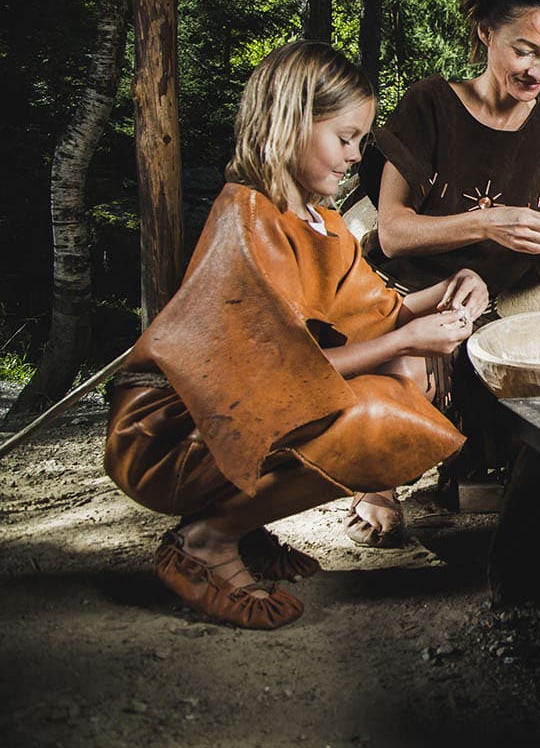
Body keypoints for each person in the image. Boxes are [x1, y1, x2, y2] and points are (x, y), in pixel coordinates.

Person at [104, 41, 486, 630]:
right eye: (345, 138)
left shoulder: (323, 223)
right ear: (290, 122)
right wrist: (407, 342)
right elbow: (271, 378)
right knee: (381, 410)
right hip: (166, 433)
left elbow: (380, 313)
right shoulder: (247, 215)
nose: (357, 156)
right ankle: (206, 540)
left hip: (229, 421)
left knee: (403, 377)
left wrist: (454, 287)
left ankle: (242, 521)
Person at [359, 0, 540, 483]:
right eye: (526, 50)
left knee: (534, 422)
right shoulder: (432, 104)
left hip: (478, 310)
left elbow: (539, 272)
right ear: (486, 33)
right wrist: (487, 222)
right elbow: (393, 233)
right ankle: (376, 487)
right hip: (393, 293)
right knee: (410, 373)